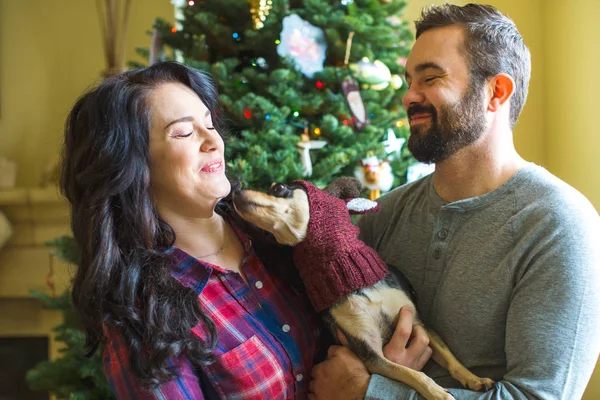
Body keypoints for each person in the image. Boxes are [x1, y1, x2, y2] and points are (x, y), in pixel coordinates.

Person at [309, 3, 600, 400]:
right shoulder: (383, 215)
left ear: (496, 92)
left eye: (430, 78)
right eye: (409, 80)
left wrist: (369, 391)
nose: (409, 96)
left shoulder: (558, 224)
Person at [60, 61, 329, 399]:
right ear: (132, 166)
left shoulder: (272, 234)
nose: (213, 141)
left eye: (209, 123)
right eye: (184, 132)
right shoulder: (145, 316)